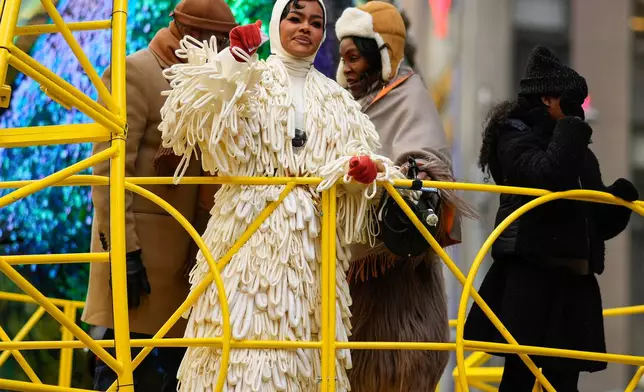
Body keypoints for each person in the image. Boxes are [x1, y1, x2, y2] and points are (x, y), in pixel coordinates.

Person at [157, 0, 404, 390]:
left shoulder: (339, 100)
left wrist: (361, 173)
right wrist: (235, 63)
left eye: (315, 22)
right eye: (295, 17)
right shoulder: (249, 76)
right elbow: (208, 126)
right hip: (246, 241)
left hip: (312, 253)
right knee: (237, 346)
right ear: (277, 22)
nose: (305, 27)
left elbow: (360, 167)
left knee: (305, 358)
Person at [81, 1, 237, 390]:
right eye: (217, 42)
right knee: (119, 370)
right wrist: (124, 251)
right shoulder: (135, 72)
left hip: (189, 262)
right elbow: (108, 172)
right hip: (140, 261)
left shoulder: (207, 82)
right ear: (195, 36)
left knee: (183, 374)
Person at [464, 46, 639, 391]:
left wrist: (618, 202)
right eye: (571, 102)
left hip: (572, 282)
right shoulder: (514, 136)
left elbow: (596, 224)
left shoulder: (576, 149)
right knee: (520, 376)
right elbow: (547, 175)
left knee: (563, 383)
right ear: (547, 98)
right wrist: (571, 131)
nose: (578, 112)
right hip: (529, 279)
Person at [334, 2, 476, 391]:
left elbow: (428, 166)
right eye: (342, 57)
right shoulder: (345, 101)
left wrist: (382, 175)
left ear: (380, 55)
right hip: (347, 267)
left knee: (395, 367)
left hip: (397, 273)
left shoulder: (410, 95)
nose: (346, 67)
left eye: (354, 57)